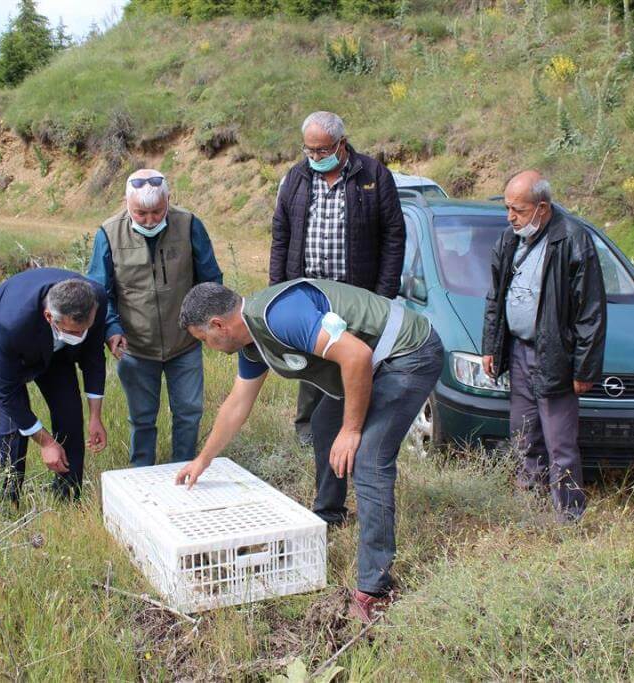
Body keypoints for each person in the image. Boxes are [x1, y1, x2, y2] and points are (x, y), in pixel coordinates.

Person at [174, 279, 444, 623]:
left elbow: (357, 355)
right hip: (370, 363)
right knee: (323, 423)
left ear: (218, 325)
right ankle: (330, 515)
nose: (208, 347)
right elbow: (237, 405)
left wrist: (353, 429)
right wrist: (203, 459)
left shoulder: (279, 316)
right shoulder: (254, 343)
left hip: (407, 352)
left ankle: (374, 591)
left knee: (369, 460)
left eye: (203, 340)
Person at [270, 111, 405, 445]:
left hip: (356, 293)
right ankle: (308, 432)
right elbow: (281, 235)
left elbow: (393, 236)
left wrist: (383, 294)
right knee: (313, 362)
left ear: (341, 144)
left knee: (355, 359)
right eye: (309, 150)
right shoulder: (296, 178)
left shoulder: (373, 175)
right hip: (309, 293)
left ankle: (354, 429)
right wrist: (278, 291)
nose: (315, 157)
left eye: (323, 150)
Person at [481, 171, 607, 522]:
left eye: (518, 210)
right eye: (508, 208)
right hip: (519, 352)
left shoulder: (573, 240)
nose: (511, 217)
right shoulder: (509, 240)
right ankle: (530, 510)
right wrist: (491, 345)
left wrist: (584, 368)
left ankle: (568, 517)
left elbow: (591, 311)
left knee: (560, 444)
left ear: (542, 207)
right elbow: (495, 297)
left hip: (556, 357)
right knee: (524, 437)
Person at [87, 169, 222, 467]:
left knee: (188, 412)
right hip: (135, 347)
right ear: (126, 204)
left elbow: (210, 280)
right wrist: (111, 328)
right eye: (140, 213)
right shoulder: (108, 234)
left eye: (157, 212)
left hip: (184, 343)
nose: (149, 219)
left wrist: (208, 323)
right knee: (142, 418)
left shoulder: (188, 225)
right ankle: (142, 473)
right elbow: (99, 292)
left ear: (168, 201)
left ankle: (184, 469)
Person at [0, 269, 108, 503]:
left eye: (85, 329)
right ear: (50, 317)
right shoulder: (12, 324)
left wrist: (95, 416)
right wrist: (46, 443)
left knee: (69, 412)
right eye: (74, 331)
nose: (81, 336)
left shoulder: (96, 299)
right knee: (13, 424)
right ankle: (6, 501)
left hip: (55, 350)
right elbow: (7, 393)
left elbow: (93, 358)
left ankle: (68, 496)